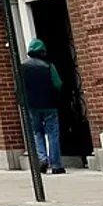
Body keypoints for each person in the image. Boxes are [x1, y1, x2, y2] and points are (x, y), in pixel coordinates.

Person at [21, 38, 65, 175]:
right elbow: (58, 84)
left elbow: (19, 86)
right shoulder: (49, 66)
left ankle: (42, 159)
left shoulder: (22, 66)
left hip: (32, 105)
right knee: (53, 134)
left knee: (37, 132)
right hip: (50, 104)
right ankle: (56, 164)